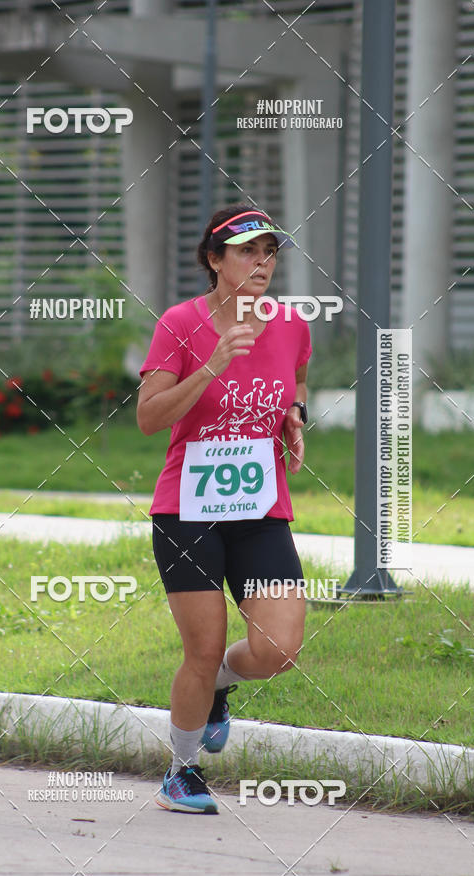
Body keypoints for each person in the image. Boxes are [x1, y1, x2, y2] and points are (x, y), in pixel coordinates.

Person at [137, 204, 311, 814]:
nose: (261, 263)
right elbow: (149, 417)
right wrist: (212, 364)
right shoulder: (181, 323)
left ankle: (216, 691)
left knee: (278, 648)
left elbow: (296, 382)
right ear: (214, 260)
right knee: (203, 646)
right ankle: (181, 773)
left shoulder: (290, 323)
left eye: (269, 253)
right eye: (246, 251)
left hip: (261, 507)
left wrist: (293, 418)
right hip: (188, 507)